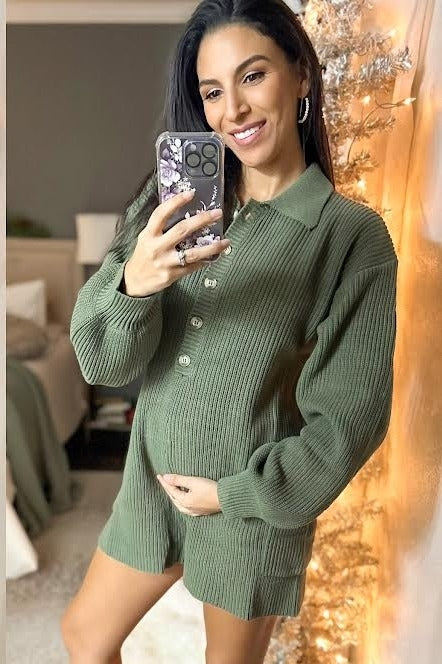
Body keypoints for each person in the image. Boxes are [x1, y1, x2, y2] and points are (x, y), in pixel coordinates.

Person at [61, 0, 398, 662]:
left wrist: (234, 495)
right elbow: (101, 362)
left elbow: (349, 421)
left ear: (300, 74)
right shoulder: (171, 205)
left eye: (253, 76)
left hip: (248, 512)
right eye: (212, 91)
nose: (233, 110)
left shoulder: (351, 237)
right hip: (150, 486)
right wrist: (136, 283)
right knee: (83, 635)